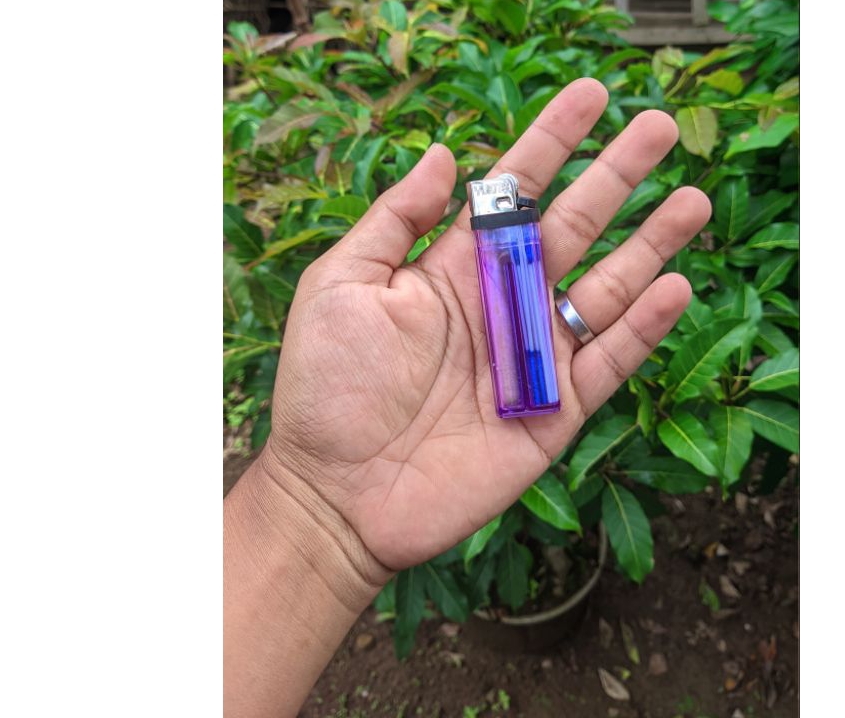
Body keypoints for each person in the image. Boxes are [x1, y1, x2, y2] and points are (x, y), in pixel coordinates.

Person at [224, 78, 712, 717]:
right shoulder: (505, 240)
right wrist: (310, 495)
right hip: (512, 385)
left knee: (539, 362)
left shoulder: (507, 236)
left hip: (516, 384)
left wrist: (306, 506)